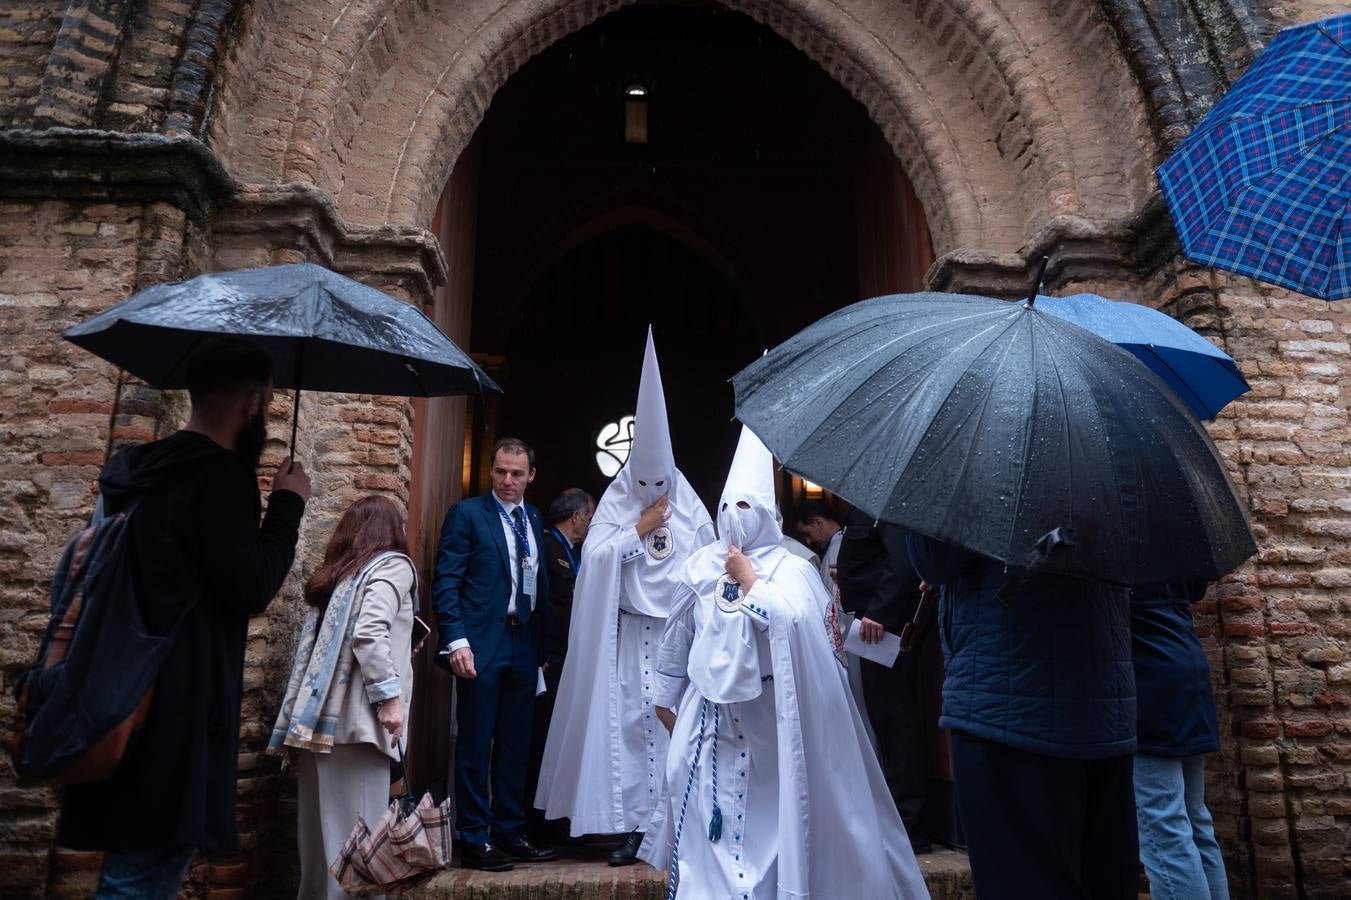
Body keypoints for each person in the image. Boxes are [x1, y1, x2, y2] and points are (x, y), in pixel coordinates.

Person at [58, 338, 311, 899]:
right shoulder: (219, 478)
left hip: (115, 691)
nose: (266, 414)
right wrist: (287, 504)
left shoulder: (135, 469)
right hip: (175, 706)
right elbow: (250, 586)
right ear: (252, 403)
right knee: (140, 879)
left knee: (132, 866)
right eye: (267, 403)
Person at [639, 426, 929, 899]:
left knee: (770, 833)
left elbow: (800, 627)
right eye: (728, 507)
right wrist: (667, 700)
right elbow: (678, 639)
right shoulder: (698, 566)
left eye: (746, 508)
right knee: (705, 836)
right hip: (710, 724)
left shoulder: (792, 567)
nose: (735, 519)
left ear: (769, 513)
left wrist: (751, 582)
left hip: (773, 725)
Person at [535, 329, 716, 866]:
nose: (657, 491)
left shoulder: (690, 507)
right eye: (647, 481)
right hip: (631, 636)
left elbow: (708, 566)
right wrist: (638, 529)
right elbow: (594, 563)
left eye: (664, 482)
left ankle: (680, 823)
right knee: (631, 735)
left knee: (673, 730)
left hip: (677, 638)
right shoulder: (619, 506)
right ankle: (633, 828)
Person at [907, 532, 1138, 899]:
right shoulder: (1115, 478)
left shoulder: (982, 472)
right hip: (1104, 708)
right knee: (1101, 880)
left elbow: (935, 562)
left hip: (1007, 711)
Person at [269, 495, 417, 899]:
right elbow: (369, 632)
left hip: (317, 726)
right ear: (393, 531)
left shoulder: (338, 576)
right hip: (358, 727)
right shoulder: (394, 565)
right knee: (361, 854)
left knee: (321, 857)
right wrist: (389, 698)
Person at [433, 437, 554, 871]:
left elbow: (539, 586)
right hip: (482, 643)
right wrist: (457, 641)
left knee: (516, 744)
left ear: (530, 477)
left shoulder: (534, 517)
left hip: (523, 645)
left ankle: (509, 830)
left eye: (517, 474)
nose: (507, 480)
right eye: (501, 471)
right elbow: (447, 581)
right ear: (491, 471)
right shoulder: (467, 514)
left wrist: (542, 650)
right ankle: (474, 838)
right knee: (475, 741)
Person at [835, 507, 931, 853]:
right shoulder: (869, 502)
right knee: (885, 719)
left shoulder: (888, 504)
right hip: (869, 626)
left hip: (883, 631)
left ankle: (910, 825)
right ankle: (901, 819)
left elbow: (901, 564)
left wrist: (880, 611)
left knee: (895, 721)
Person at [1132, 582, 1229, 900]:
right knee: (1196, 820)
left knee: (1164, 828)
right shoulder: (1174, 542)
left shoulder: (1115, 547)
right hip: (1188, 671)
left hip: (1149, 681)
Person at [525, 486, 595, 843]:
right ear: (576, 517)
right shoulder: (548, 548)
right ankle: (534, 820)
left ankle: (553, 815)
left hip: (567, 659)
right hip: (549, 659)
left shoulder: (573, 551)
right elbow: (542, 607)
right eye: (590, 516)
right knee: (540, 739)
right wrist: (541, 657)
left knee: (560, 735)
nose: (591, 523)